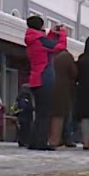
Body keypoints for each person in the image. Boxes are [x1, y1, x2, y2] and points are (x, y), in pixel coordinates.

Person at [24, 16, 67, 151]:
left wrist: (53, 33)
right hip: (45, 77)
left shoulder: (32, 39)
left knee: (39, 112)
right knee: (44, 113)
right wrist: (63, 34)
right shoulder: (40, 40)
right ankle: (41, 142)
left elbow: (45, 43)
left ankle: (34, 141)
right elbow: (59, 47)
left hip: (35, 78)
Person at [50, 48, 78, 148]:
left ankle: (52, 138)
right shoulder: (66, 56)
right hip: (63, 89)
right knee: (63, 114)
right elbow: (74, 72)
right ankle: (59, 139)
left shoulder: (49, 54)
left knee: (50, 114)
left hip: (47, 86)